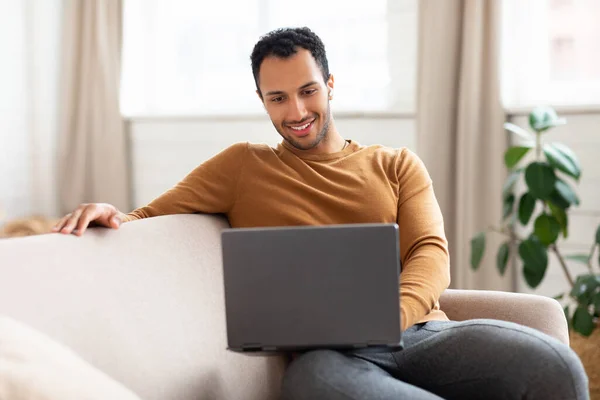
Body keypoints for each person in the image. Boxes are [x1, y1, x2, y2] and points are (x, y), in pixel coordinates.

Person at [53, 27, 588, 400]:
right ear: (263, 101)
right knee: (314, 386)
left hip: (421, 332)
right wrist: (111, 215)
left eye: (308, 91)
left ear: (330, 85)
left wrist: (389, 319)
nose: (296, 112)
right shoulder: (241, 166)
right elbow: (150, 217)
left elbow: (430, 253)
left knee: (555, 366)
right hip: (327, 358)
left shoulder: (396, 163)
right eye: (278, 98)